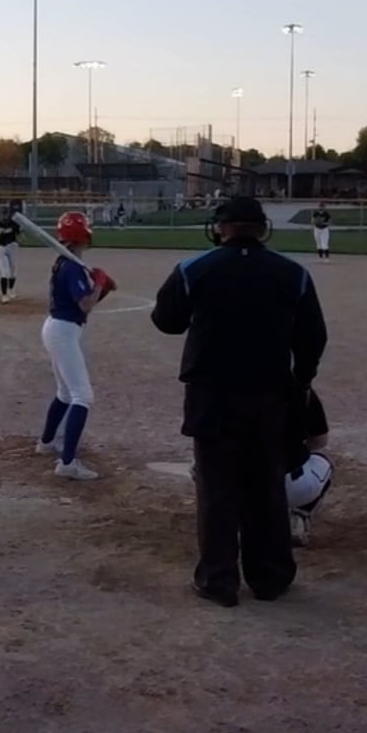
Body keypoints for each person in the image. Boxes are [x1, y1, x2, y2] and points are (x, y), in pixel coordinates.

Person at [151, 196, 328, 607]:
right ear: (262, 228)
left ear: (221, 227)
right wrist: (301, 381)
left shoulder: (194, 268)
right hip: (269, 396)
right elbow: (313, 338)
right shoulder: (293, 273)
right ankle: (271, 578)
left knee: (216, 489)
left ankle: (219, 581)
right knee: (266, 487)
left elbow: (166, 321)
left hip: (212, 397)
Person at [34, 211, 113, 481]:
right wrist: (98, 284)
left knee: (67, 393)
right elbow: (85, 305)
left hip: (59, 328)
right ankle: (67, 463)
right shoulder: (72, 266)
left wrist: (102, 289)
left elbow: (85, 304)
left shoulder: (66, 263)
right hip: (63, 331)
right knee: (83, 396)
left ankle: (47, 442)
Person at [285, 388, 335, 548]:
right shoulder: (299, 388)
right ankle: (298, 517)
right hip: (291, 486)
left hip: (239, 489)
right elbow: (320, 441)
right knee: (323, 462)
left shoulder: (224, 389)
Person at [0, 207, 23, 302]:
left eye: (6, 214)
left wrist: (21, 239)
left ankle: (11, 290)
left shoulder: (14, 224)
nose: (4, 216)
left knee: (13, 270)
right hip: (2, 247)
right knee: (4, 272)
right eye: (2, 214)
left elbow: (19, 237)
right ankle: (4, 295)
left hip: (12, 246)